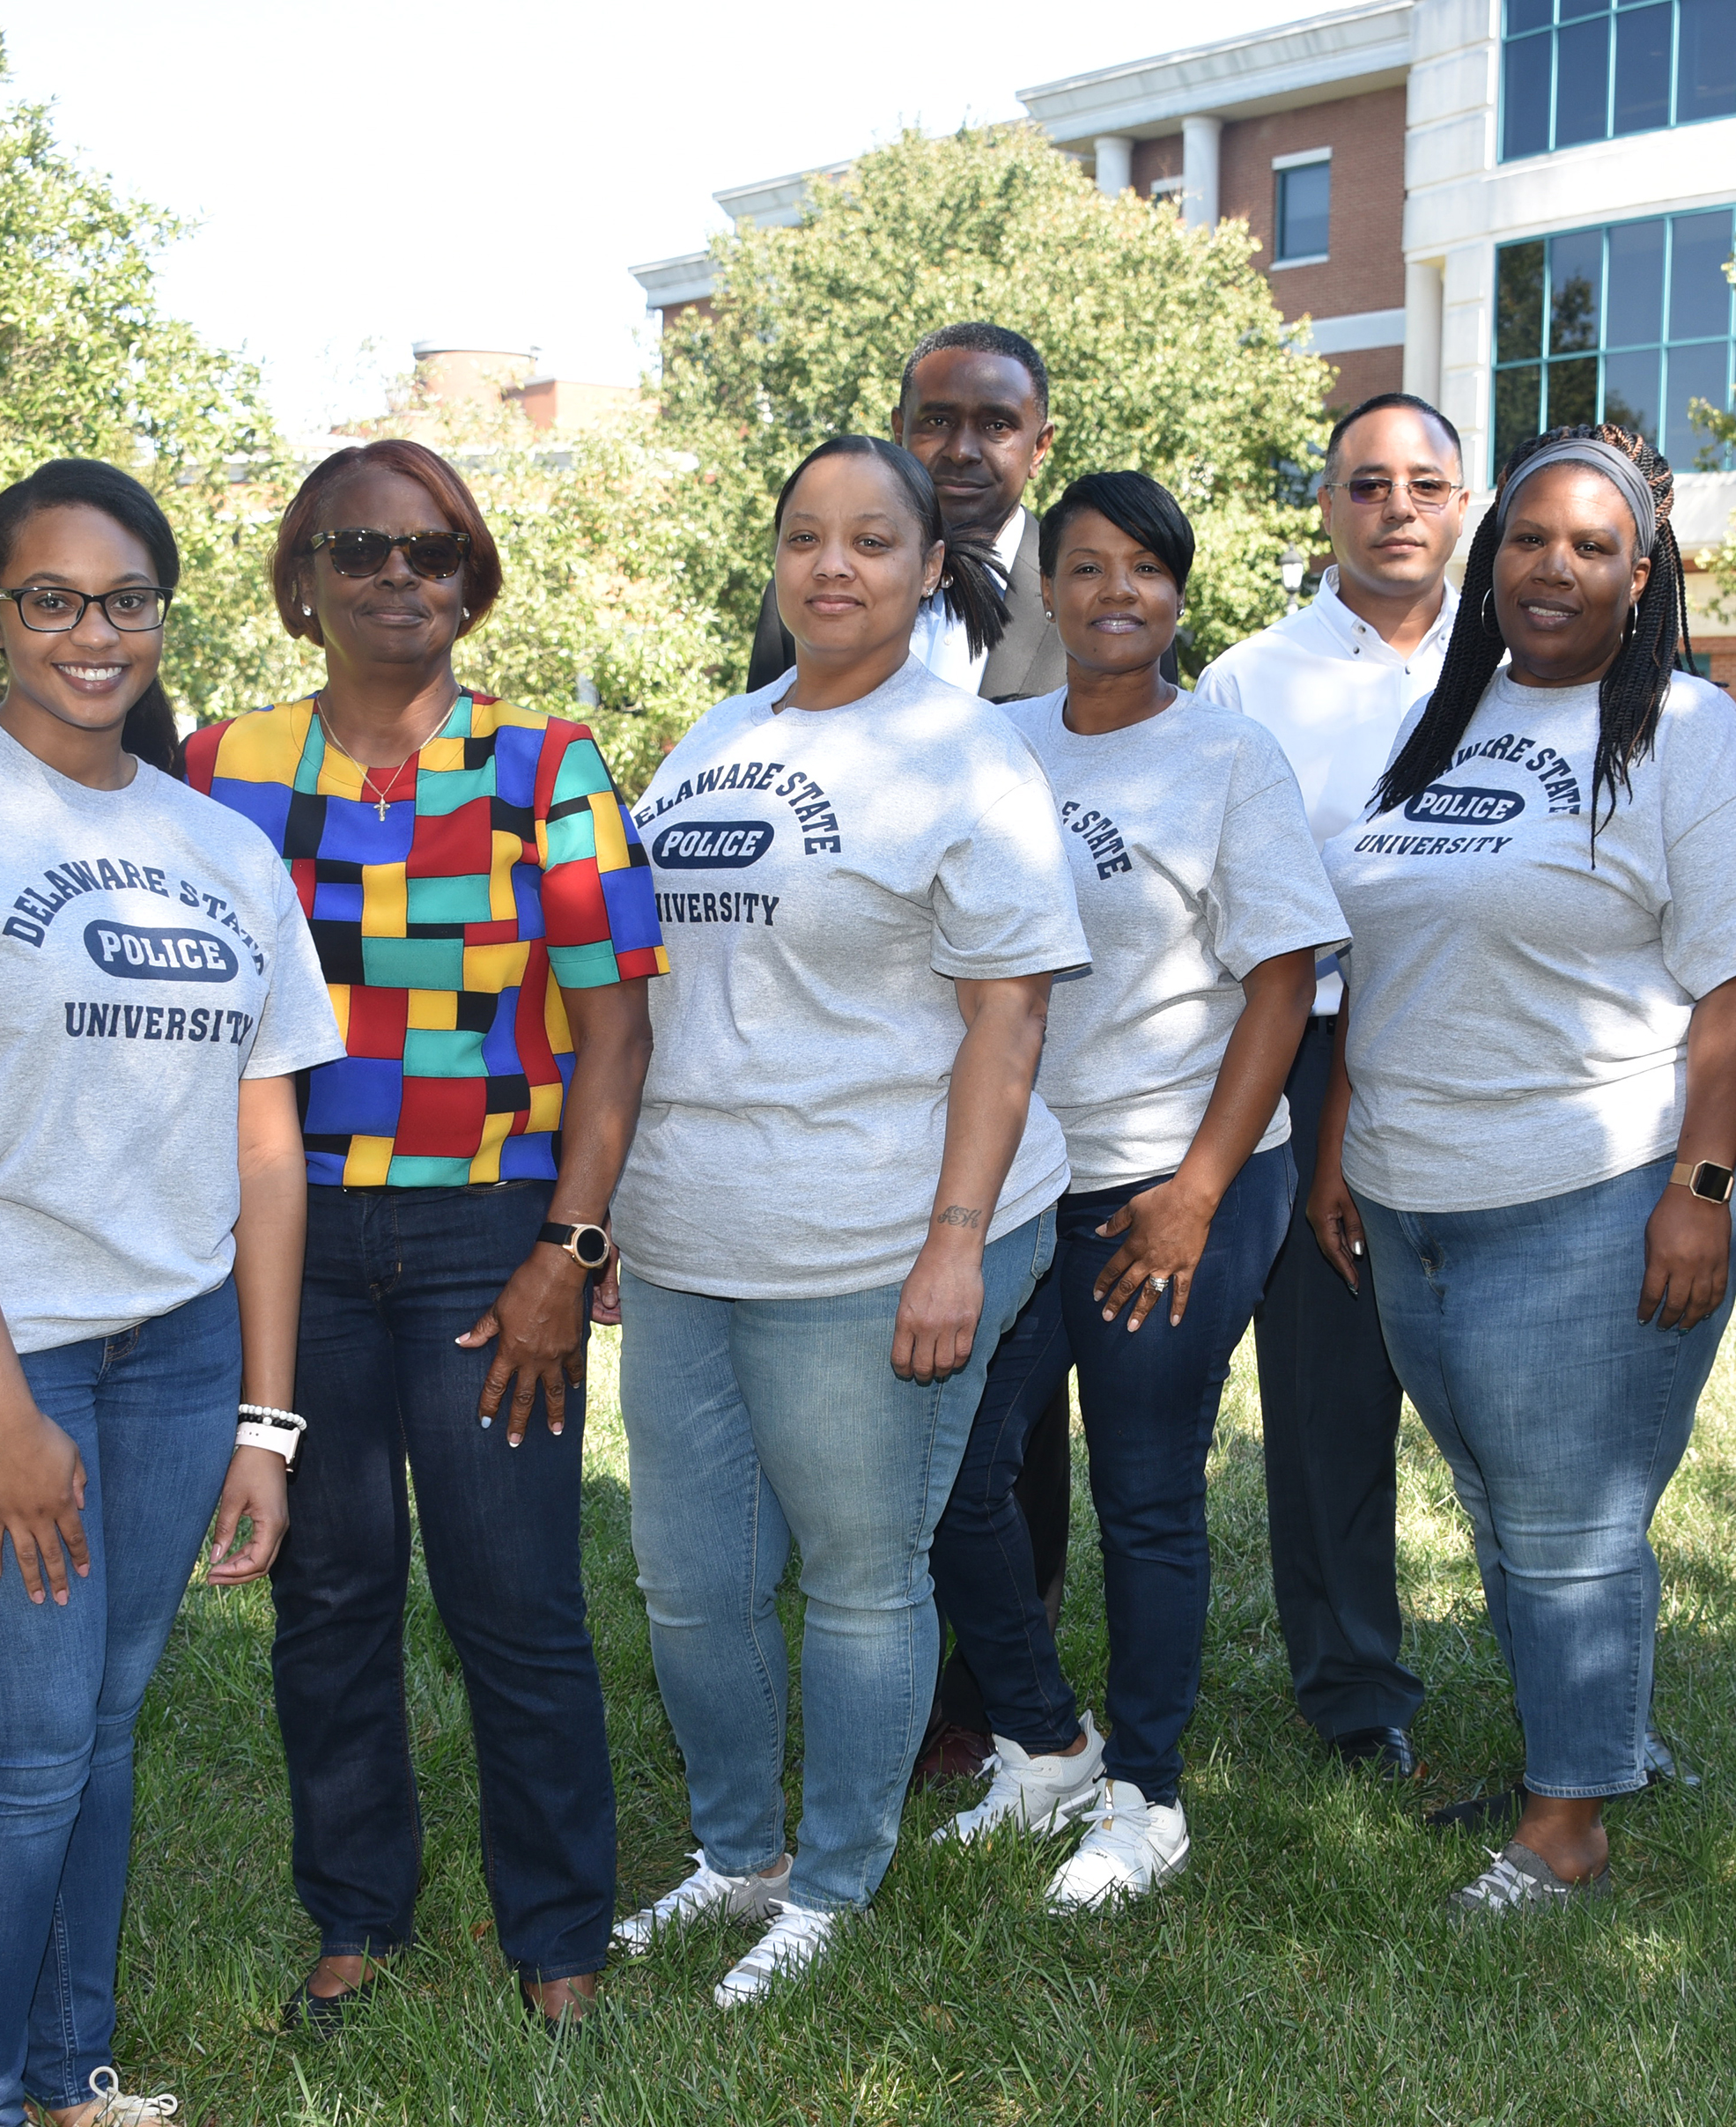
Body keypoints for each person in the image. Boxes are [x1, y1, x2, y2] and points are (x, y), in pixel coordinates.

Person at [0, 459, 344, 2126]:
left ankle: (61, 2076)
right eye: (51, 599)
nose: (92, 634)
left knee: (99, 1730)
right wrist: (3, 1410)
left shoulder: (218, 843)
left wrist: (264, 1417)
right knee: (26, 1750)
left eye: (126, 601)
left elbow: (264, 1150)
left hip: (171, 1351)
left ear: (164, 617)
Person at [1307, 425, 1736, 1917]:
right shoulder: (1443, 721)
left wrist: (1702, 1190)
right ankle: (1586, 1747)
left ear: (1640, 576)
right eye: (1532, 538)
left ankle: (1572, 1818)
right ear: (1492, 560)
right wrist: (1343, 1150)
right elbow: (1383, 959)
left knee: (1570, 1518)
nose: (1556, 568)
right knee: (1500, 1493)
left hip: (1602, 1183)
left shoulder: (1680, 730)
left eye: (1595, 547)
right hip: (1415, 1189)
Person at [182, 439, 661, 2033]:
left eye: (435, 550)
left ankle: (559, 1934)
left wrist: (566, 1250)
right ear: (302, 579)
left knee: (512, 1596)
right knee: (328, 1589)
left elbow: (616, 1034)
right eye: (362, 547)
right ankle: (355, 1913)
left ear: (474, 580)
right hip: (288, 1234)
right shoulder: (216, 764)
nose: (401, 575)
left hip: (486, 1238)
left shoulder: (545, 766)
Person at [609, 433, 1087, 2005]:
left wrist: (956, 1239)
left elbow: (1009, 1023)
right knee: (691, 1575)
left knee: (864, 1570)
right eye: (806, 535)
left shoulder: (969, 758)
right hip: (691, 1224)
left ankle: (833, 1881)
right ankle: (735, 1854)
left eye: (872, 540)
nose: (833, 565)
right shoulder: (713, 734)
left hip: (879, 1233)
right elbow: (666, 989)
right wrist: (608, 1202)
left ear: (929, 568)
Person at [921, 471, 1345, 1908]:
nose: (1116, 594)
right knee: (965, 1473)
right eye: (1087, 567)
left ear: (1177, 592)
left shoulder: (1230, 761)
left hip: (1178, 1171)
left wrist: (1197, 1194)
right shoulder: (990, 745)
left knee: (1145, 1493)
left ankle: (1147, 1796)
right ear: (1047, 590)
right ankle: (1047, 1741)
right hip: (1022, 1180)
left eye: (1145, 570)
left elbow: (1284, 987)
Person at [1197, 390, 1470, 1781]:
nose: (1398, 506)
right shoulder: (1255, 679)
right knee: (1327, 1396)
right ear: (1326, 506)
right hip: (1309, 1049)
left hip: (1494, 1048)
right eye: (1368, 484)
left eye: (1426, 482)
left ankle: (1582, 1663)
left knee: (1510, 1383)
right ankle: (1356, 1688)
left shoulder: (1519, 664)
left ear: (1462, 502)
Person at [746, 321, 1066, 705]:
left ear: (1039, 448)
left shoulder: (1090, 595)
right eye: (938, 422)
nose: (961, 451)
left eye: (996, 426)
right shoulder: (810, 594)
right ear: (899, 430)